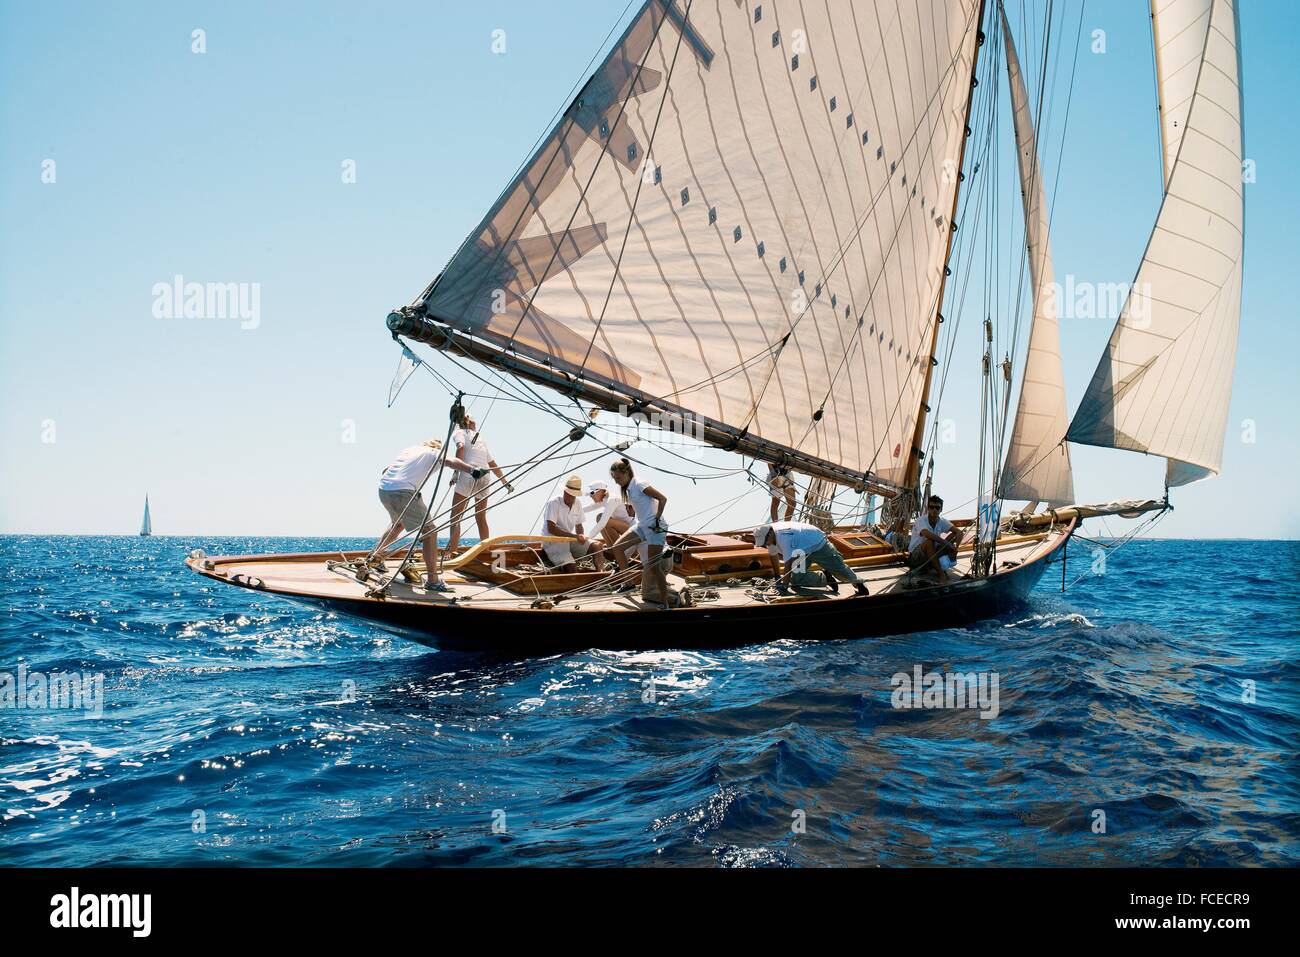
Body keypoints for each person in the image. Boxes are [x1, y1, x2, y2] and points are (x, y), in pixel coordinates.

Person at [376, 439, 479, 591]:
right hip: (403, 492)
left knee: (398, 524)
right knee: (430, 533)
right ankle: (433, 581)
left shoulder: (410, 450)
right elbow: (451, 461)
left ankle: (376, 558)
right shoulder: (434, 452)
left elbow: (386, 471)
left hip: (384, 489)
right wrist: (472, 470)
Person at [607, 457, 676, 606]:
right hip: (642, 525)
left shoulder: (639, 484)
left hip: (654, 527)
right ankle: (628, 582)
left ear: (626, 473)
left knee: (654, 566)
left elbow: (662, 499)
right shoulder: (629, 488)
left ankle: (666, 603)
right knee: (617, 548)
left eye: (618, 478)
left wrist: (657, 518)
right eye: (614, 479)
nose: (616, 481)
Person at [446, 412, 512, 554]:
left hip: (468, 474)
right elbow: (492, 463)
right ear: (471, 423)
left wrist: (456, 472)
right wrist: (504, 482)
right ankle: (486, 551)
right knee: (480, 517)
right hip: (485, 476)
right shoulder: (480, 438)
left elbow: (460, 447)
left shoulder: (458, 432)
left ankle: (452, 553)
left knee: (455, 517)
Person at [754, 520, 869, 597]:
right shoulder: (770, 537)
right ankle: (825, 577)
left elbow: (788, 564)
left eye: (764, 542)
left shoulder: (784, 536)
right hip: (800, 551)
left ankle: (859, 583)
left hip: (819, 545)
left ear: (769, 534)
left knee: (840, 571)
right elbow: (773, 556)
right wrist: (777, 577)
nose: (765, 545)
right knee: (796, 580)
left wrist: (783, 587)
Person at [541, 475, 608, 572]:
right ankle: (584, 573)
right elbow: (551, 528)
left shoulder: (577, 503)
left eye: (574, 494)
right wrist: (575, 536)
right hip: (553, 541)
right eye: (569, 494)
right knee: (572, 569)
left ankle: (601, 574)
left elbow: (579, 525)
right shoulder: (553, 503)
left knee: (597, 545)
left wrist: (580, 537)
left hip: (570, 539)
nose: (571, 497)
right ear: (564, 491)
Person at [908, 495, 963, 584]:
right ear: (928, 508)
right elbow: (926, 534)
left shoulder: (941, 521)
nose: (934, 510)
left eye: (937, 508)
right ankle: (941, 574)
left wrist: (956, 547)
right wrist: (947, 545)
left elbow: (959, 532)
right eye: (931, 507)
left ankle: (938, 565)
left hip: (932, 555)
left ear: (941, 509)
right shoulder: (920, 520)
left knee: (953, 535)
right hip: (916, 558)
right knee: (929, 542)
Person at [584, 480, 633, 565]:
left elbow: (602, 523)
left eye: (592, 493)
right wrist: (571, 509)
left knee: (602, 519)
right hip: (625, 530)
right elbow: (586, 509)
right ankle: (612, 548)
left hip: (633, 530)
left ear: (601, 491)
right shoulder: (604, 499)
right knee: (600, 517)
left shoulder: (612, 499)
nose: (591, 496)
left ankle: (617, 550)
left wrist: (586, 538)